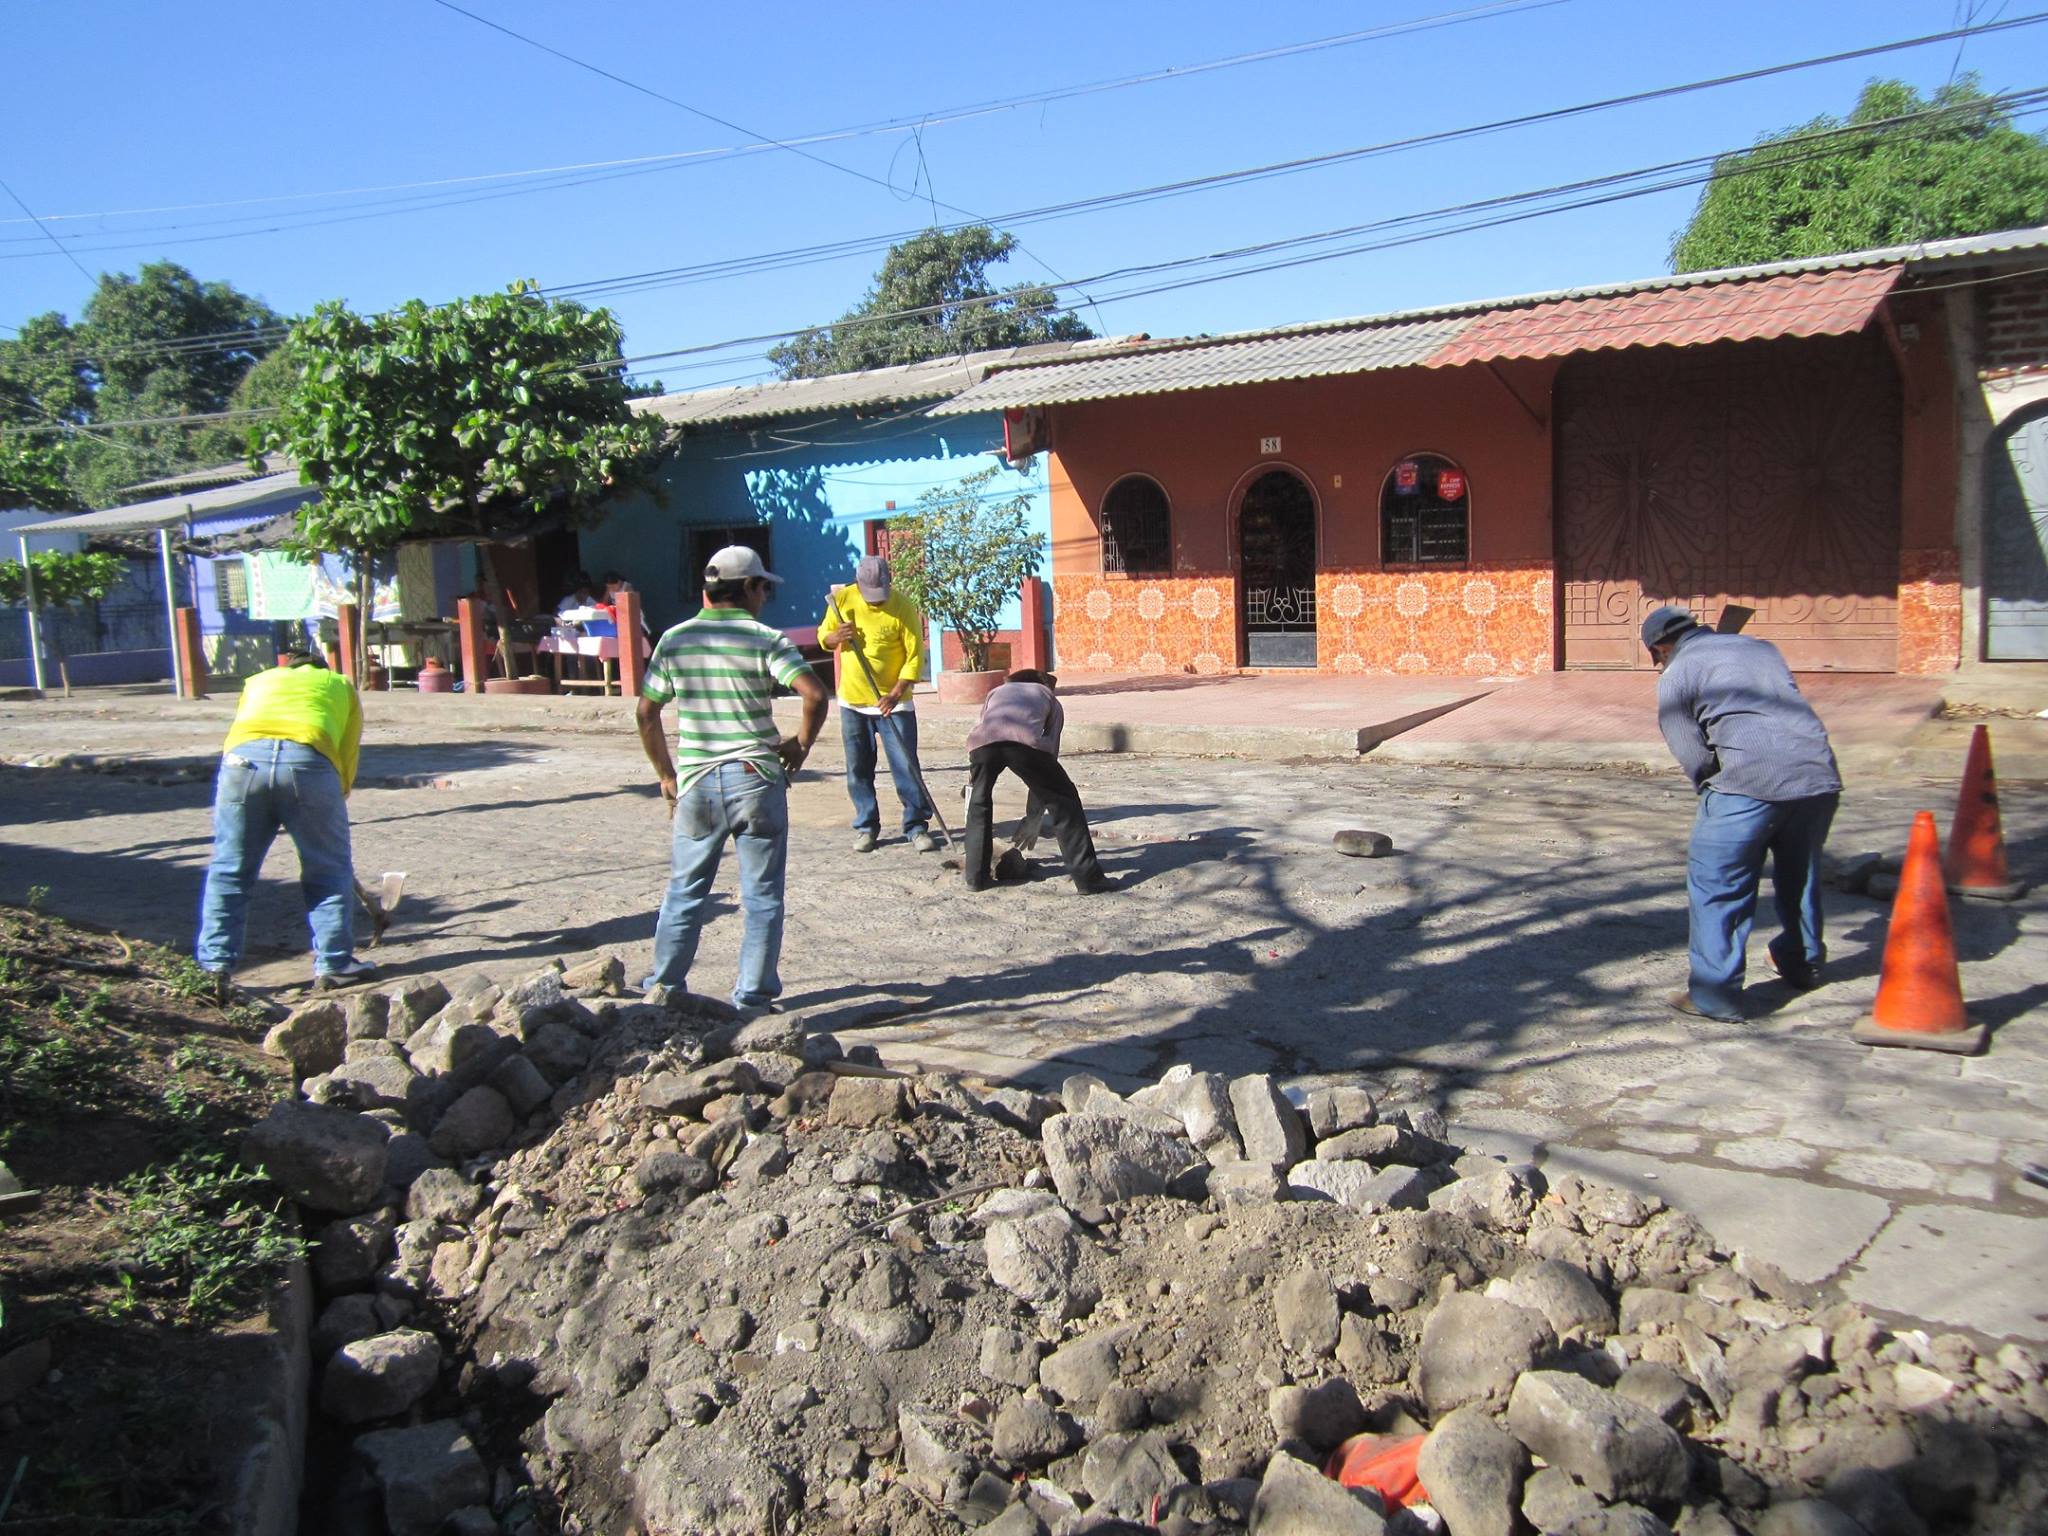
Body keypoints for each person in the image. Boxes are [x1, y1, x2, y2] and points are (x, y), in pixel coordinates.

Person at [636, 545, 829, 1015]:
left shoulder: (674, 640)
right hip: (755, 779)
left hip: (697, 782)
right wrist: (799, 746)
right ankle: (752, 999)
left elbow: (646, 712)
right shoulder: (765, 639)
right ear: (747, 588)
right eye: (763, 586)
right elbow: (815, 695)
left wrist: (665, 774)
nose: (765, 596)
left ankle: (663, 990)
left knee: (685, 890)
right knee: (762, 897)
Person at [1645, 605, 1842, 1022]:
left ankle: (1715, 995)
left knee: (1718, 884)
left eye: (1656, 656)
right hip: (1817, 776)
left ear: (1662, 647)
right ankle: (1802, 962)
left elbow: (1689, 749)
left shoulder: (1677, 673)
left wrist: (1711, 786)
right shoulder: (1760, 648)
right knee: (1800, 873)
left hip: (1747, 784)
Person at [195, 645, 374, 999]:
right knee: (327, 869)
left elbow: (243, 726)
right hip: (308, 762)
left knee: (230, 869)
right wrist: (337, 794)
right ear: (322, 667)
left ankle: (214, 966)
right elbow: (348, 748)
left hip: (241, 764)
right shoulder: (339, 684)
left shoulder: (258, 680)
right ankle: (335, 964)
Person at [818, 555, 937, 853]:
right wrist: (835, 637)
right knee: (858, 768)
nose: (875, 601)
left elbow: (914, 656)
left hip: (894, 704)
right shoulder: (841, 600)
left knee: (906, 766)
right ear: (858, 583)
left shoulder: (903, 606)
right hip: (853, 701)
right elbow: (824, 636)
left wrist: (895, 693)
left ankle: (916, 825)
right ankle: (866, 826)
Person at [962, 669, 1111, 895]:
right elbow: (1049, 756)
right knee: (1064, 801)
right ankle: (1088, 878)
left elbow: (981, 729)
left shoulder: (996, 692)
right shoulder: (1048, 697)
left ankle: (976, 877)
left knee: (979, 803)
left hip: (981, 746)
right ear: (1048, 685)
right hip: (1025, 746)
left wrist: (973, 787)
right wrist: (1035, 816)